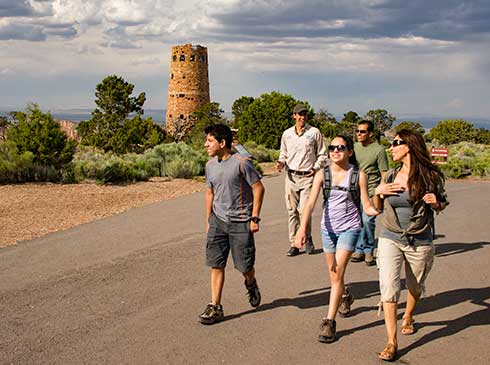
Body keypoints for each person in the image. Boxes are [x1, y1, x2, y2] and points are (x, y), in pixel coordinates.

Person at [294, 135, 379, 343]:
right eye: (332, 147)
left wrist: (380, 203)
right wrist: (301, 229)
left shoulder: (358, 175)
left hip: (350, 229)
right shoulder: (322, 174)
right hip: (328, 230)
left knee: (336, 273)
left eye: (340, 147)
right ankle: (345, 295)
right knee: (334, 276)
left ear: (350, 151)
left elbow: (366, 205)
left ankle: (329, 321)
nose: (335, 151)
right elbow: (311, 203)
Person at [372, 129, 448, 361]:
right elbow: (377, 207)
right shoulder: (391, 175)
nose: (391, 147)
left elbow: (442, 203)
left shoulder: (431, 176)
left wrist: (437, 203)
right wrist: (378, 192)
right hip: (390, 236)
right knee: (389, 286)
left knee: (415, 286)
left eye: (396, 143)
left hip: (420, 238)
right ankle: (391, 341)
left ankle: (409, 316)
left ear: (409, 146)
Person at [199, 124, 265, 325]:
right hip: (218, 221)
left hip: (240, 222)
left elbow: (258, 188)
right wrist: (209, 219)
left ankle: (251, 282)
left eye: (210, 141)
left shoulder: (242, 163)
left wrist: (254, 218)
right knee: (216, 264)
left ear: (222, 143)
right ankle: (215, 306)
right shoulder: (210, 166)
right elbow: (209, 192)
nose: (206, 145)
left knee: (244, 265)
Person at [276, 103, 327, 257]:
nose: (302, 117)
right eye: (299, 114)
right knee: (291, 211)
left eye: (304, 114)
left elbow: (323, 154)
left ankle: (307, 237)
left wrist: (316, 167)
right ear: (294, 116)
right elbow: (283, 153)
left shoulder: (314, 133)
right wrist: (280, 163)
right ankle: (294, 243)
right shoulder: (287, 134)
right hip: (291, 177)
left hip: (307, 177)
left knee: (304, 210)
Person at [351, 120, 389, 266]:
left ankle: (368, 250)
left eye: (362, 131)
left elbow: (384, 173)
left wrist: (381, 192)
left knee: (368, 221)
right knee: (357, 221)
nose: (358, 134)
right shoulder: (353, 148)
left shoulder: (379, 150)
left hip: (372, 190)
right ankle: (359, 249)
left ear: (370, 133)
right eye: (357, 131)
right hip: (355, 190)